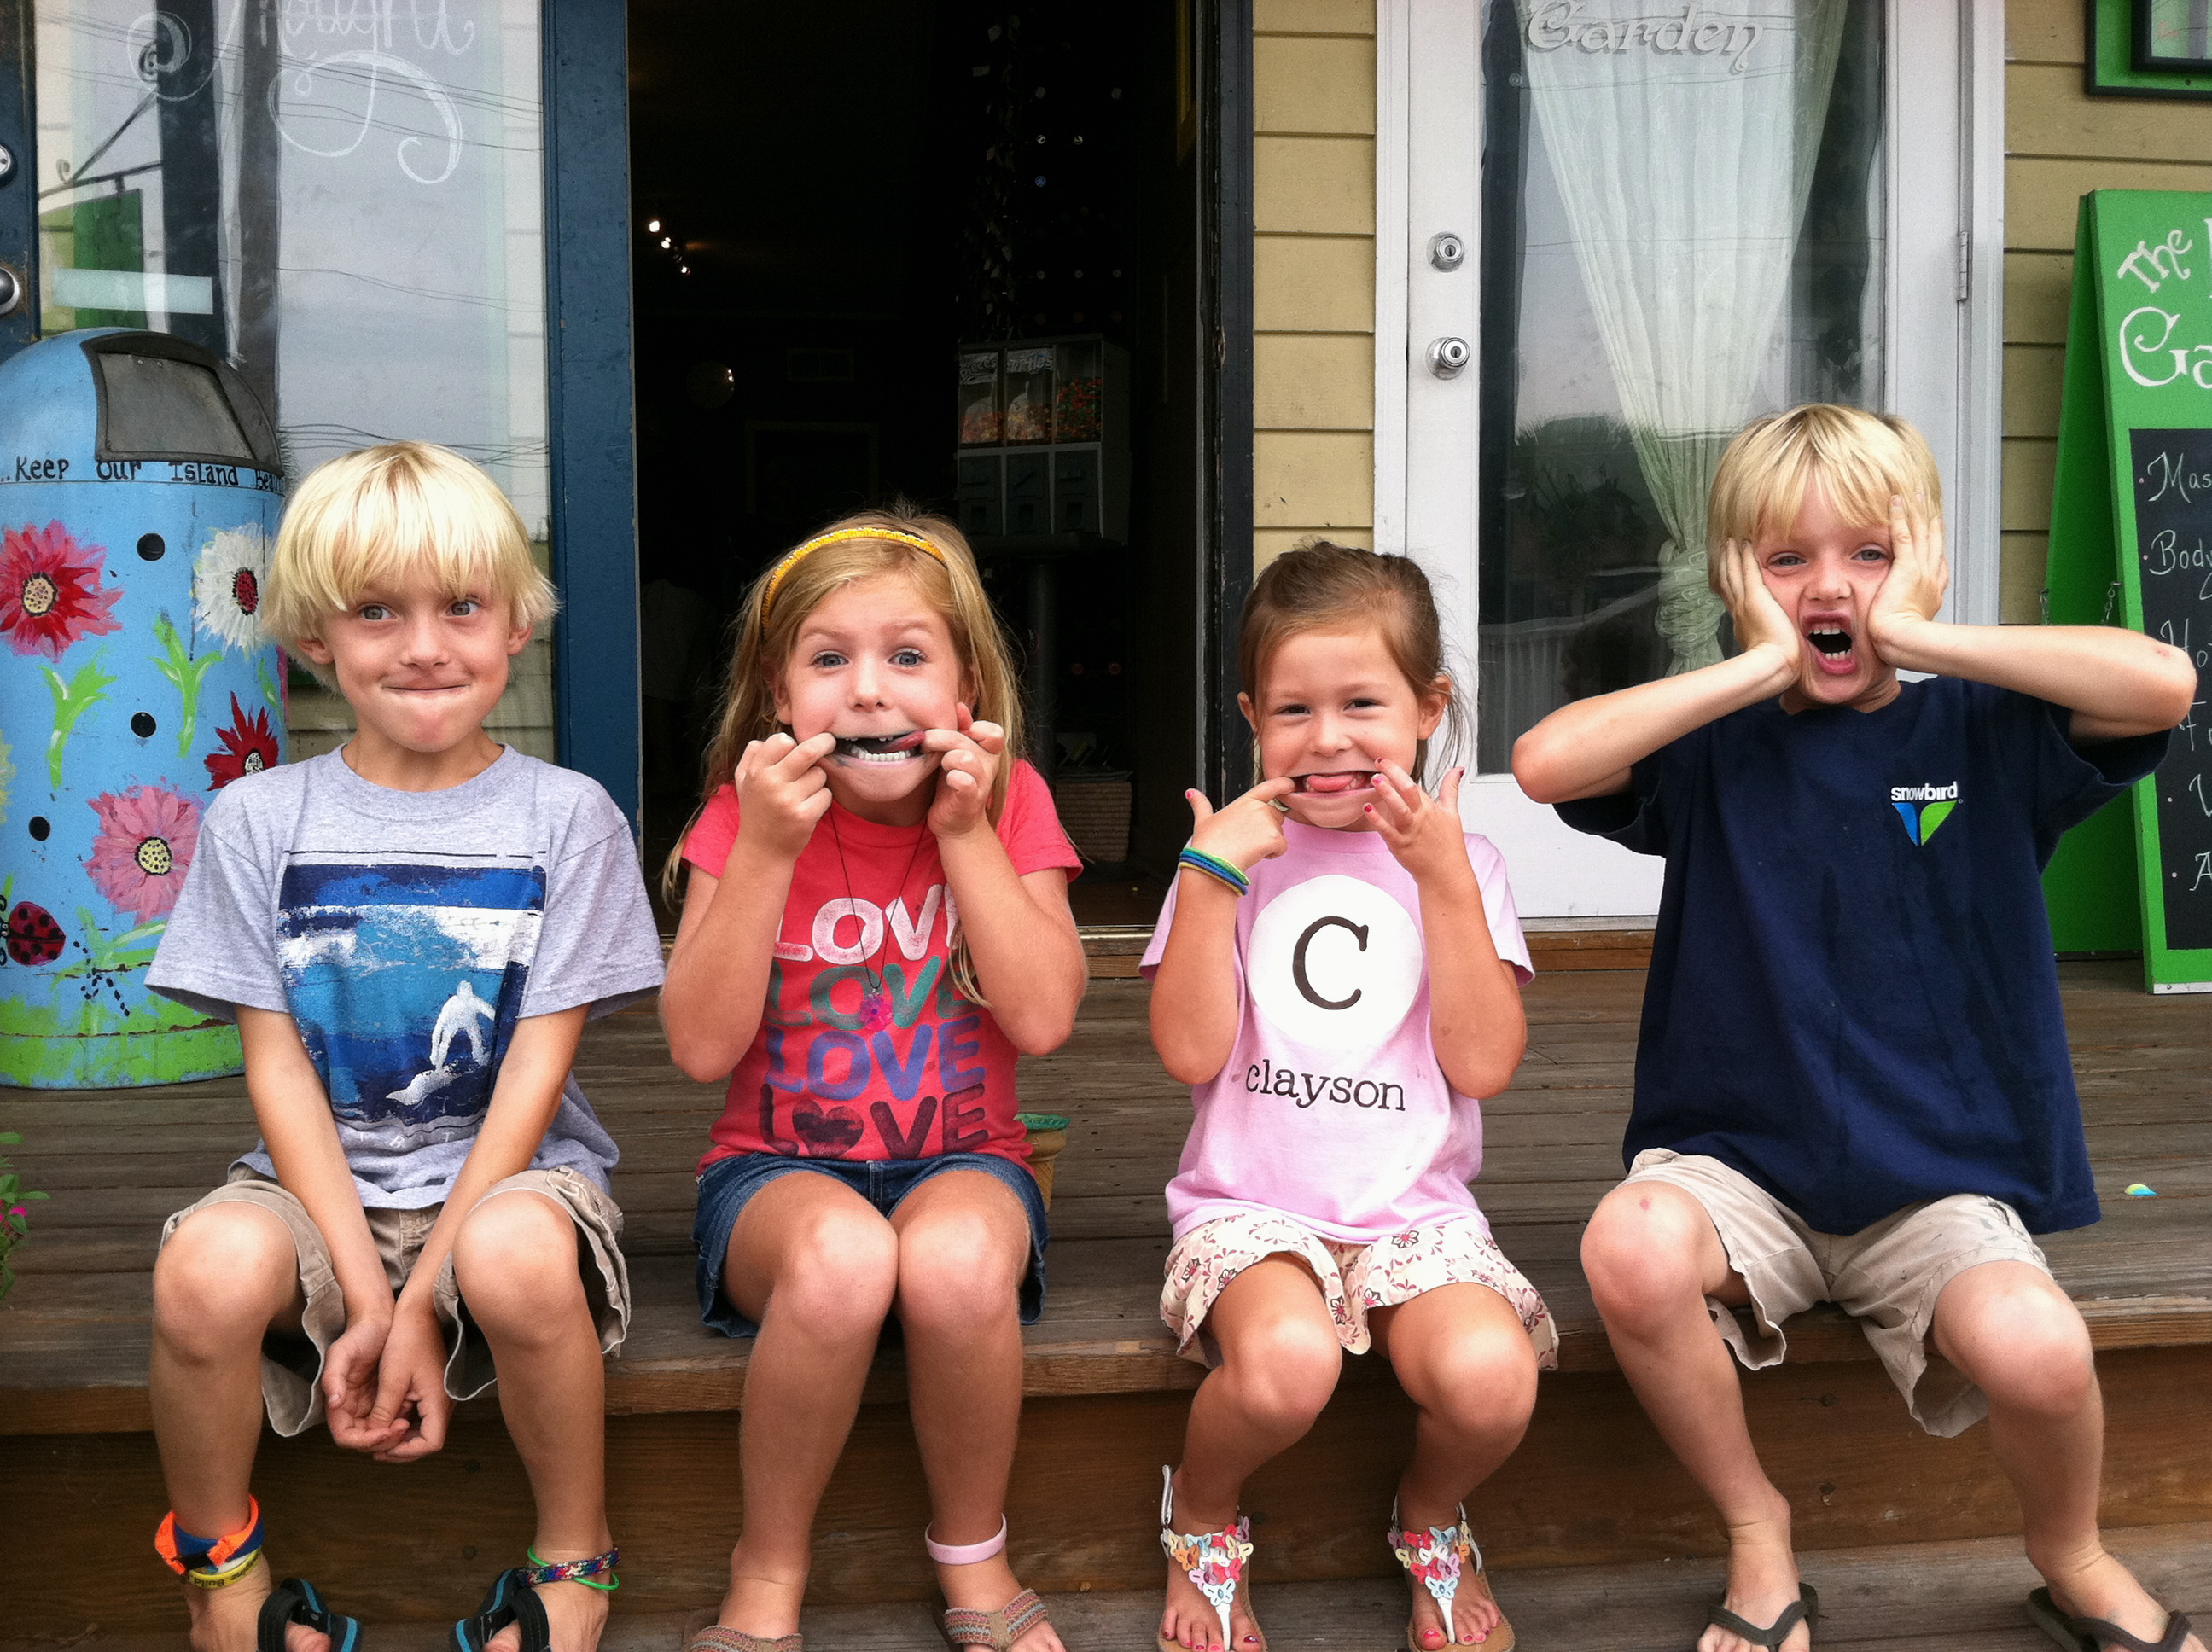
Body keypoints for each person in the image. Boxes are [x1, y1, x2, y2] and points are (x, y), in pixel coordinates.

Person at [1512, 406, 2202, 1652]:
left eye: (1870, 554)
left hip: (1936, 1182)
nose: (1831, 588)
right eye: (1787, 559)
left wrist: (1924, 637)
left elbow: (2165, 681)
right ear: (1734, 577)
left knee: (2043, 1351)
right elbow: (1548, 762)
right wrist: (1759, 664)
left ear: (1925, 558)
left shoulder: (1983, 729)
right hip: (1737, 1174)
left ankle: (2074, 1554)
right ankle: (1757, 1529)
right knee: (1629, 1246)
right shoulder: (1712, 745)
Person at [144, 442, 666, 1652]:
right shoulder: (258, 820)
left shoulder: (569, 819)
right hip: (321, 1186)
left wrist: (422, 1303)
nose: (424, 646)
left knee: (516, 1257)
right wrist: (371, 1294)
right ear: (314, 637)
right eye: (377, 611)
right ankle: (221, 1579)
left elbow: (532, 1071)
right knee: (201, 1274)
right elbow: (278, 1067)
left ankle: (574, 1560)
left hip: (513, 1180)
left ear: (516, 625)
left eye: (461, 607)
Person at [659, 509, 1086, 1652]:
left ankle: (974, 1553)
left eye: (906, 656)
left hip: (966, 1160)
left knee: (953, 1262)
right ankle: (769, 1568)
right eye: (827, 660)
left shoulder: (1011, 804)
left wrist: (966, 834)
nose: (866, 691)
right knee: (846, 1260)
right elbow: (699, 1047)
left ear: (966, 686)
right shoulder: (741, 817)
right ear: (777, 693)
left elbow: (1043, 1018)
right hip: (773, 1175)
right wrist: (765, 849)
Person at [1143, 543, 1554, 1652]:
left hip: (1414, 1214)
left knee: (1492, 1380)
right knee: (1285, 1367)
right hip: (1251, 1209)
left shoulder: (1465, 865)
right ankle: (1204, 1512)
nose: (1326, 737)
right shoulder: (1228, 858)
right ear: (1252, 719)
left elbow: (1484, 1065)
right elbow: (1187, 1051)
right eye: (1293, 709)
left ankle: (1430, 1511)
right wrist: (1206, 879)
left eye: (1361, 704)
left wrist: (1445, 884)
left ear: (1428, 709)